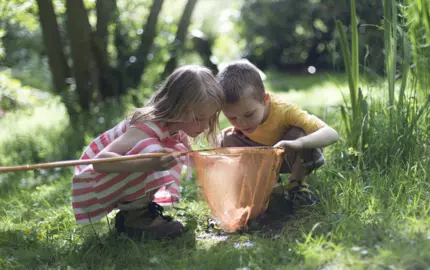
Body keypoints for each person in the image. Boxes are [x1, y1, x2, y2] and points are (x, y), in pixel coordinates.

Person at [71, 65, 224, 240]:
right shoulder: (146, 128)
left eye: (210, 119)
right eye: (199, 118)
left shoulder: (176, 128)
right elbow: (100, 162)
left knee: (169, 153)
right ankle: (136, 221)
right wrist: (150, 163)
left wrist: (214, 163)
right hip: (90, 184)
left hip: (111, 180)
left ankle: (135, 214)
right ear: (178, 107)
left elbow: (191, 158)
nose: (205, 126)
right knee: (153, 152)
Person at [217, 61, 339, 207]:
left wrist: (297, 143)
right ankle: (265, 187)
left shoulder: (284, 111)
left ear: (265, 99)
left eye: (249, 114)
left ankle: (297, 186)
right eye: (232, 118)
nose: (242, 123)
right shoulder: (241, 121)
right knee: (227, 139)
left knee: (299, 132)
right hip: (262, 158)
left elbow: (332, 134)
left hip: (288, 155)